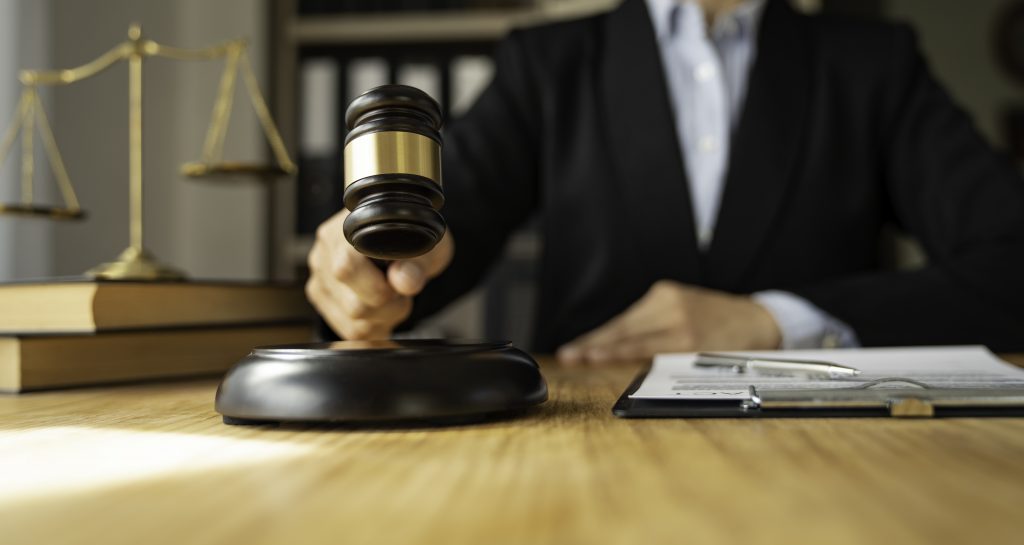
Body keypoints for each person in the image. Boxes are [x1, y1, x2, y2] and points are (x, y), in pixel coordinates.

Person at [306, 0, 1024, 364]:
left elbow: (1011, 261)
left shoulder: (872, 64)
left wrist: (773, 320)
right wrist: (374, 266)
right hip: (584, 438)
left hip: (823, 448)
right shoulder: (548, 64)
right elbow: (447, 212)